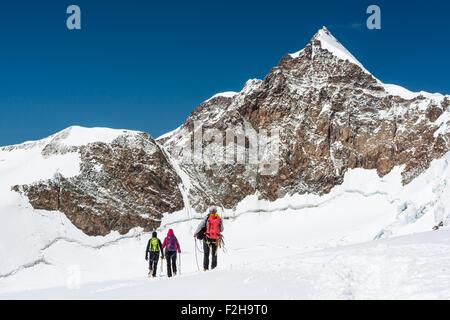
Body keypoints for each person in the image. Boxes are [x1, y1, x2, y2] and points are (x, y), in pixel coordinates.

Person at [194, 207, 224, 271]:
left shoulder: (207, 217)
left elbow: (200, 225)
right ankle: (214, 268)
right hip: (216, 239)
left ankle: (205, 268)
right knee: (214, 254)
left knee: (206, 254)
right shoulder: (219, 218)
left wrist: (196, 233)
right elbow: (222, 229)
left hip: (207, 238)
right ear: (216, 211)